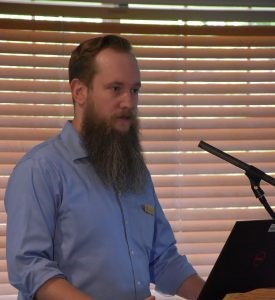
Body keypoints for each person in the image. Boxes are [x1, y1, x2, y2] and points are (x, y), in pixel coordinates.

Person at [5, 35, 204, 300]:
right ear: (79, 92)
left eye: (135, 90)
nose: (129, 103)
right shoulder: (40, 169)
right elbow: (29, 266)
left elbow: (163, 259)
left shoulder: (136, 171)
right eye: (115, 89)